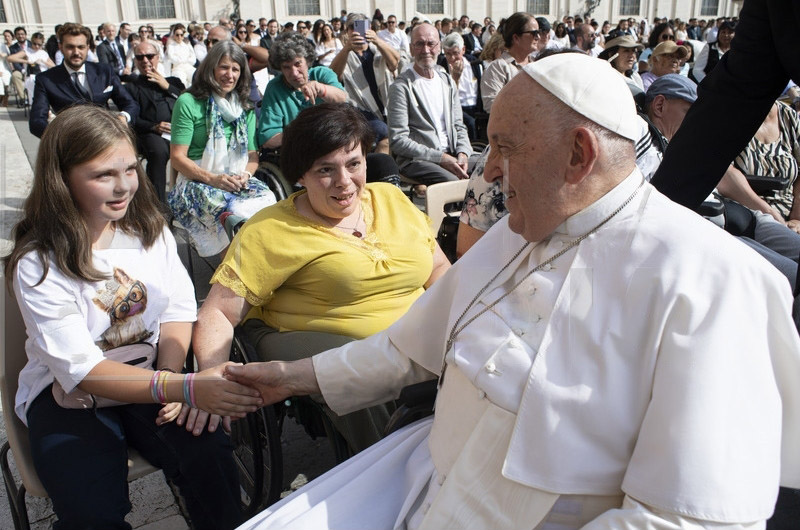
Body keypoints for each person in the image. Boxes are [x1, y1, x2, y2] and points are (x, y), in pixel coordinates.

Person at [226, 52, 800, 529]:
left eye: (504, 147)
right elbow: (411, 346)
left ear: (578, 154)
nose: (490, 170)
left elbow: (686, 518)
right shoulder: (522, 225)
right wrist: (292, 377)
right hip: (423, 486)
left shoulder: (713, 283)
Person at [3, 105, 263, 530]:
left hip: (151, 375)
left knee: (210, 455)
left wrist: (172, 376)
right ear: (61, 178)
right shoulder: (39, 262)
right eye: (104, 174)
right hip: (67, 397)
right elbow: (82, 369)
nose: (124, 185)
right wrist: (182, 386)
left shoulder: (150, 232)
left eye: (130, 169)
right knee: (92, 513)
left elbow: (177, 310)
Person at [191, 103, 449, 452]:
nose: (344, 181)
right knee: (356, 371)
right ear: (301, 174)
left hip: (412, 338)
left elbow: (438, 269)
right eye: (326, 170)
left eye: (354, 164)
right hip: (307, 337)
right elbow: (218, 312)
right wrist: (211, 378)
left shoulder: (391, 198)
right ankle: (395, 461)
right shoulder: (271, 230)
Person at [168, 41, 276, 258]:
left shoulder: (245, 106)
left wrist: (245, 175)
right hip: (196, 178)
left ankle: (258, 263)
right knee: (231, 210)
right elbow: (177, 158)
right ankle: (234, 270)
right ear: (211, 69)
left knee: (269, 201)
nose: (230, 75)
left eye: (235, 69)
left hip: (236, 175)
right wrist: (213, 179)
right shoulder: (188, 102)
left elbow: (252, 155)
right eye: (224, 67)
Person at [387, 23, 475, 186]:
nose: (426, 50)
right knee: (455, 184)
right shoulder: (401, 87)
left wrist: (463, 153)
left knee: (496, 167)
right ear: (411, 49)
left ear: (439, 47)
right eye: (419, 44)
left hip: (453, 153)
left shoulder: (447, 81)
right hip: (418, 160)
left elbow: (459, 125)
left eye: (431, 44)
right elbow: (398, 140)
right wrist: (440, 158)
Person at [29, 23, 138, 138]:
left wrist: (123, 117)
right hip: (71, 141)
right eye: (70, 47)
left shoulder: (104, 71)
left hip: (105, 138)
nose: (76, 52)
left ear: (87, 47)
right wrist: (60, 138)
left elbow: (130, 104)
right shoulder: (46, 80)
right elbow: (36, 122)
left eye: (81, 47)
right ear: (60, 47)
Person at [258, 32, 347, 149]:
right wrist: (304, 134)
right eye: (286, 67)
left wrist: (321, 89)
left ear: (307, 61)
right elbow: (268, 138)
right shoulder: (275, 88)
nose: (294, 73)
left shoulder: (321, 74)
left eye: (298, 64)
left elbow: (342, 98)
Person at [329, 13, 401, 154]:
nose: (356, 31)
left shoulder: (377, 51)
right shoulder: (345, 54)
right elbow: (334, 76)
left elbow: (394, 63)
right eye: (352, 27)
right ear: (347, 31)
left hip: (385, 106)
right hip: (360, 110)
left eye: (362, 26)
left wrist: (377, 40)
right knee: (385, 135)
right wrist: (347, 48)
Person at [125, 41, 185, 202]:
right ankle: (158, 203)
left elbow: (188, 102)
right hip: (150, 133)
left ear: (158, 57)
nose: (145, 60)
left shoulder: (174, 82)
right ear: (135, 61)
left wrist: (167, 87)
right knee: (159, 151)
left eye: (150, 56)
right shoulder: (131, 87)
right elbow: (132, 118)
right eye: (140, 57)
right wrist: (154, 127)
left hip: (178, 131)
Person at [480, 12, 538, 113]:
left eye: (539, 32)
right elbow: (493, 106)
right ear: (516, 38)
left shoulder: (537, 65)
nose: (538, 37)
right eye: (534, 33)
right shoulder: (498, 68)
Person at [164, 23, 196, 88]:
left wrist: (183, 60)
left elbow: (193, 59)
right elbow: (172, 58)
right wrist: (185, 59)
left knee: (196, 77)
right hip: (177, 68)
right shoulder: (171, 46)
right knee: (181, 81)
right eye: (177, 35)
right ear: (174, 36)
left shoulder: (187, 45)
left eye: (181, 35)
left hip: (188, 66)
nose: (179, 37)